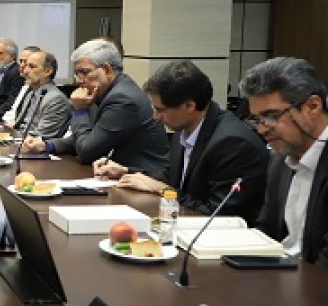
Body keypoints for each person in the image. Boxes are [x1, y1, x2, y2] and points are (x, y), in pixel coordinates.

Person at [94, 60, 268, 223]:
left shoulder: (232, 143)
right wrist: (125, 171)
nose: (155, 117)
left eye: (160, 109)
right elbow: (175, 177)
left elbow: (217, 215)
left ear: (189, 106)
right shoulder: (184, 128)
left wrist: (164, 191)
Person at [22, 39, 168, 176]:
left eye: (85, 72)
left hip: (144, 178)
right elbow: (88, 138)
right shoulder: (105, 91)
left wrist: (80, 110)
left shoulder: (122, 99)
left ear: (107, 70)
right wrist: (47, 145)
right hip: (115, 174)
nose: (79, 80)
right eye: (77, 73)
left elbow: (86, 152)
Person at [240, 57, 328, 265]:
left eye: (272, 116)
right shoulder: (279, 161)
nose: (261, 129)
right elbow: (267, 232)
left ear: (312, 106)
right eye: (257, 119)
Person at [12, 50, 71, 140]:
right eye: (26, 66)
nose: (25, 71)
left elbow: (41, 136)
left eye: (32, 67)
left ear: (48, 71)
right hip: (18, 140)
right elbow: (19, 126)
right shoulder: (31, 93)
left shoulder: (56, 99)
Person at [2, 45, 40, 125]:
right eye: (21, 61)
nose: (22, 65)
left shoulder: (37, 90)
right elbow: (13, 111)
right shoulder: (25, 85)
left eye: (26, 62)